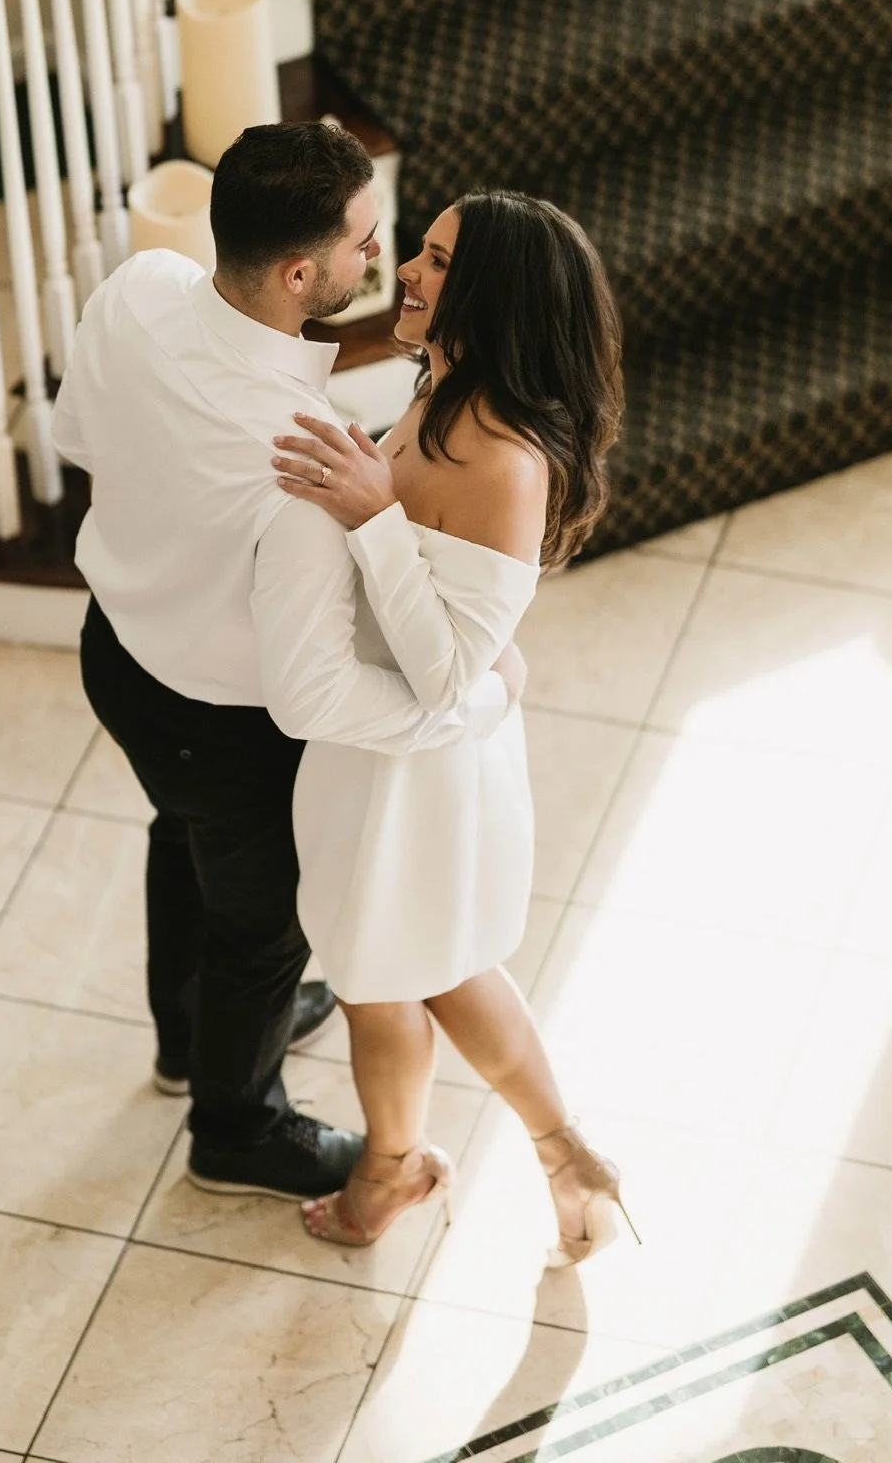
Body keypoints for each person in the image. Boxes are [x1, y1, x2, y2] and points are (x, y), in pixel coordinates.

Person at [51, 123, 522, 1204]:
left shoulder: (142, 284)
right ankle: (235, 1126)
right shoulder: (304, 454)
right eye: (365, 244)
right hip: (219, 719)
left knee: (182, 833)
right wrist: (470, 707)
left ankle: (183, 1038)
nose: (382, 261)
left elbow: (80, 436)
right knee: (260, 933)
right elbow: (314, 690)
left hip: (113, 654)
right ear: (303, 272)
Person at [269, 190, 637, 1266]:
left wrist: (371, 512)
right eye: (420, 250)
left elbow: (442, 676)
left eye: (433, 260)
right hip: (394, 749)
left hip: (416, 768)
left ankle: (395, 1167)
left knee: (382, 980)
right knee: (444, 965)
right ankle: (566, 1154)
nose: (409, 273)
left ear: (494, 295)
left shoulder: (506, 463)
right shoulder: (446, 391)